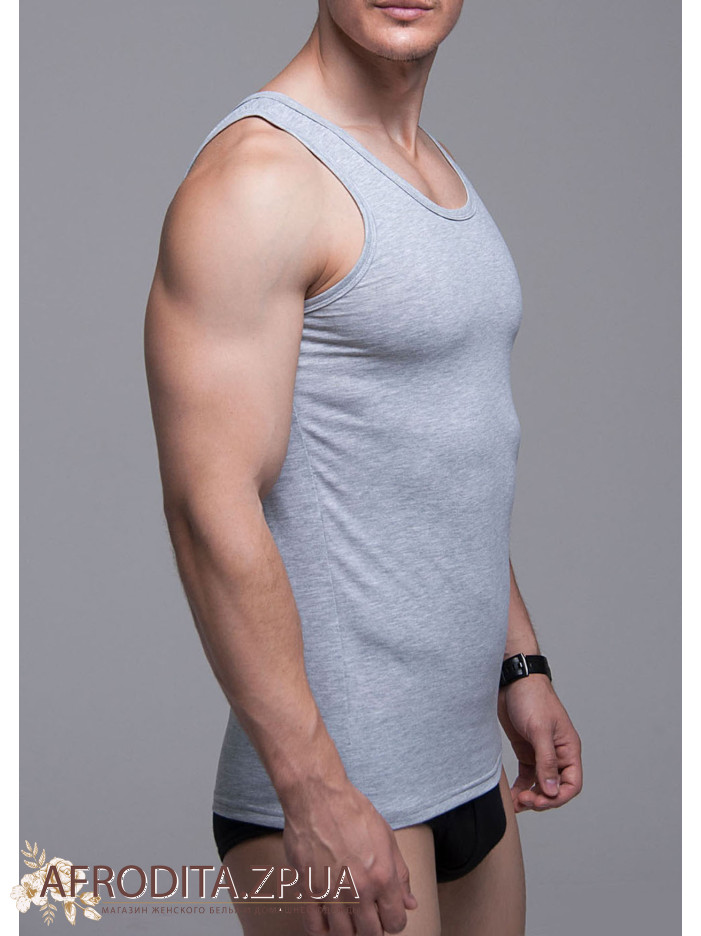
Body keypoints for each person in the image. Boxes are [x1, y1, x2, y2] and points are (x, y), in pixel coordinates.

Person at [144, 1, 583, 933]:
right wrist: (314, 790)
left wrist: (520, 665)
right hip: (341, 784)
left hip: (465, 761)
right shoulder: (260, 179)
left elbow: (442, 459)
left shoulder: (433, 168)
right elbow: (208, 508)